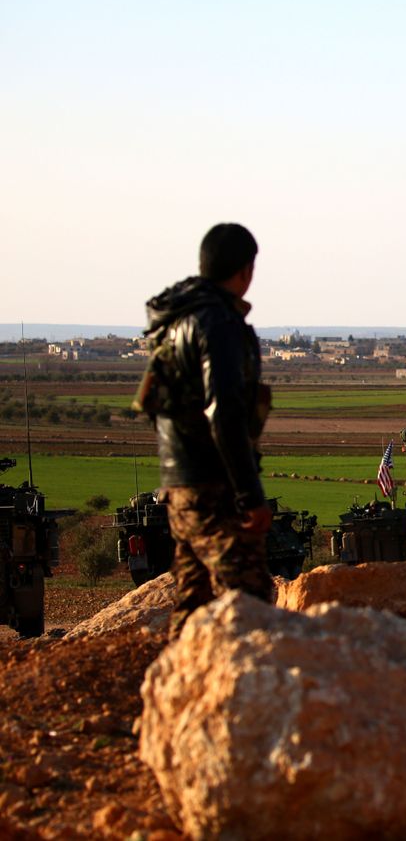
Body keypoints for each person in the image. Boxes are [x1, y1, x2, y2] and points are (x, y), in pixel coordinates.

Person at [139, 223, 274, 640]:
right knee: (248, 598)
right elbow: (225, 413)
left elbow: (153, 402)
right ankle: (243, 697)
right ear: (245, 270)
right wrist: (250, 496)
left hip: (179, 485)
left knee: (193, 603)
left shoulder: (175, 320)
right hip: (213, 487)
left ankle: (180, 694)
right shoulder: (217, 323)